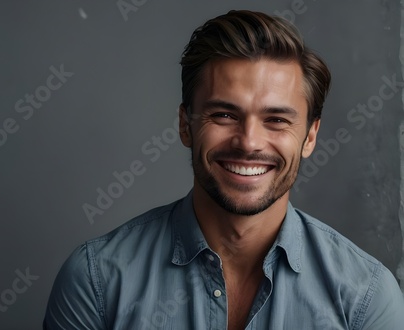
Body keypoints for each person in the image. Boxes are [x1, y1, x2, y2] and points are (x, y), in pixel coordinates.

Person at [43, 10, 404, 329]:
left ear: (310, 137)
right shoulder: (96, 279)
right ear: (186, 125)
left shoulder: (365, 298)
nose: (248, 143)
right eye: (224, 115)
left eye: (276, 119)